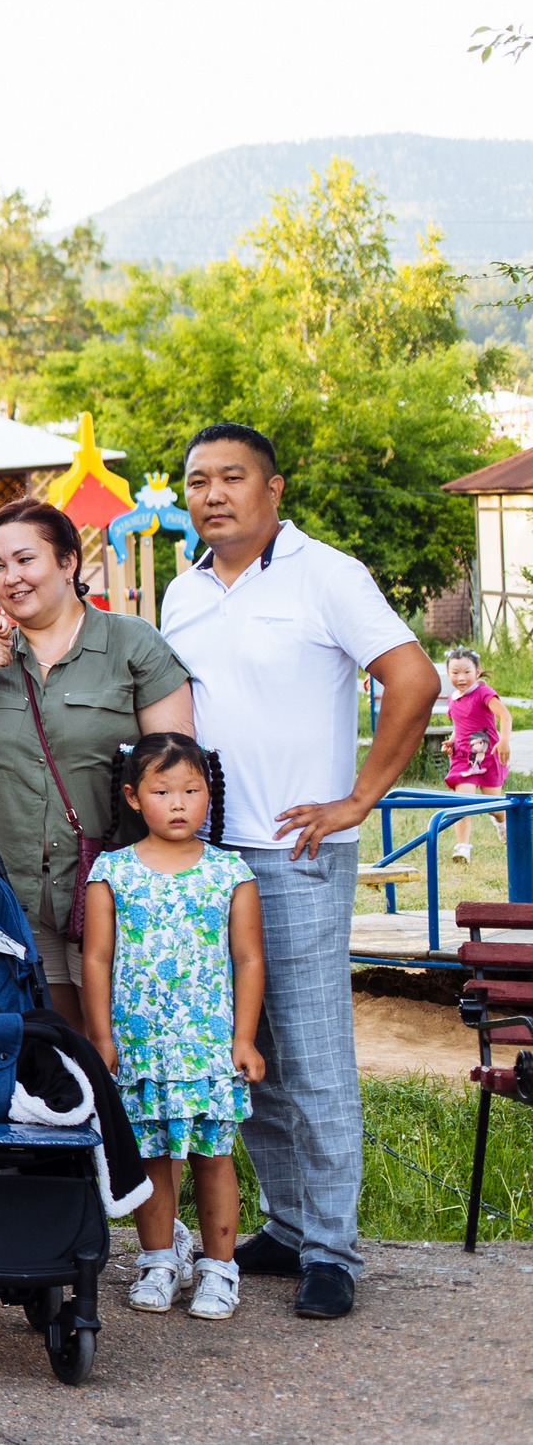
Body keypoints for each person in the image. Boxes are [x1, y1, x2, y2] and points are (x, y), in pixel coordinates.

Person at [161, 421, 437, 1321]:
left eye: (232, 476)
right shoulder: (182, 590)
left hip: (298, 850)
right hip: (209, 856)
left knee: (313, 1054)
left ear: (273, 488)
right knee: (252, 1053)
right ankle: (286, 1224)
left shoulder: (329, 575)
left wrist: (358, 797)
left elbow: (413, 678)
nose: (212, 494)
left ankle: (331, 1248)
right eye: (197, 480)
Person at [0, 498, 195, 1030]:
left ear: (68, 561)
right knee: (50, 1043)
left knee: (119, 1037)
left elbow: (177, 770)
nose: (10, 578)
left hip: (112, 886)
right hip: (13, 889)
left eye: (25, 560)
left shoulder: (129, 642)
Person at [81, 733, 265, 1323]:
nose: (179, 803)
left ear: (210, 793)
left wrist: (244, 1038)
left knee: (213, 1156)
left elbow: (248, 959)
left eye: (191, 790)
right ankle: (159, 1261)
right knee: (152, 1155)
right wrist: (102, 1038)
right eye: (162, 792)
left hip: (208, 1048)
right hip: (141, 1048)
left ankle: (219, 1269)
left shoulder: (230, 872)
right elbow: (96, 959)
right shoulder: (112, 872)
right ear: (134, 798)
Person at [444, 648, 511, 861]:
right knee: (462, 802)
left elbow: (505, 715)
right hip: (463, 759)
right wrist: (452, 741)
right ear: (448, 674)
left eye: (467, 672)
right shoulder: (453, 699)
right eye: (455, 673)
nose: (461, 678)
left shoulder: (483, 693)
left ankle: (503, 824)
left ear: (478, 671)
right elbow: (459, 725)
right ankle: (462, 848)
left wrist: (504, 740)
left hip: (488, 757)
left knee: (494, 808)